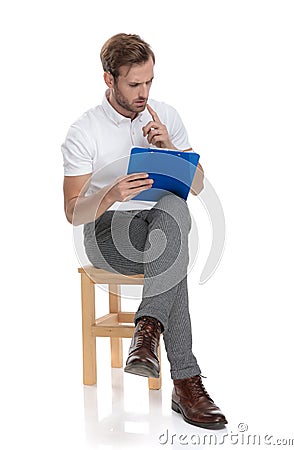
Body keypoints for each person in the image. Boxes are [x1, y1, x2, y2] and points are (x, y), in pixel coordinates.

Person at [61, 33, 227, 429]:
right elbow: (72, 211)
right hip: (107, 234)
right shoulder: (84, 131)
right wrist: (108, 194)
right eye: (134, 84)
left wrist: (171, 148)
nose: (143, 92)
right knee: (173, 251)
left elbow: (198, 187)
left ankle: (147, 334)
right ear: (109, 79)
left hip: (161, 226)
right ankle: (186, 382)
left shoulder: (165, 116)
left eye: (149, 82)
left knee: (173, 212)